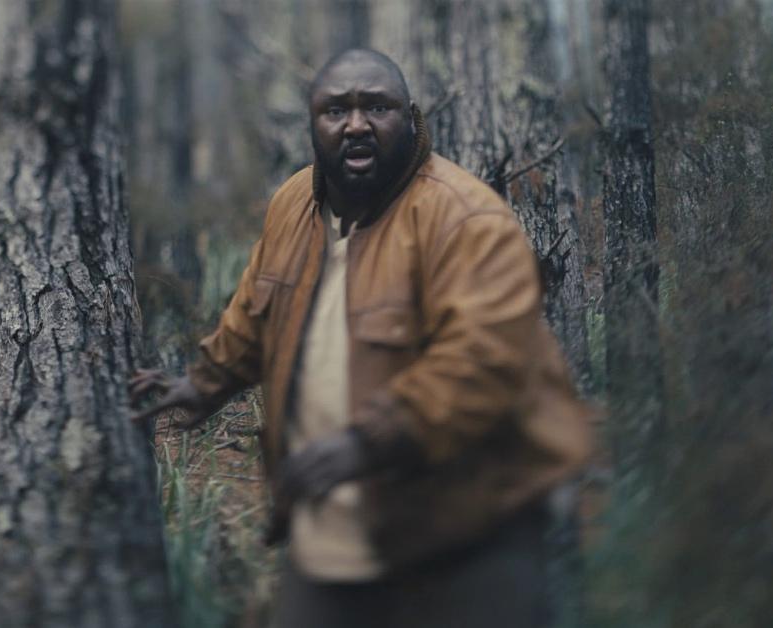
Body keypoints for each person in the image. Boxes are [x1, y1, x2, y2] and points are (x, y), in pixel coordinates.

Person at [129, 48, 595, 628]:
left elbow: (483, 364)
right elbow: (257, 308)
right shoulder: (294, 203)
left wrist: (367, 442)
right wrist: (204, 382)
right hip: (328, 542)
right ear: (312, 123)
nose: (356, 124)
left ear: (411, 117)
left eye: (377, 107)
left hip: (464, 542)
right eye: (335, 110)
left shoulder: (466, 218)